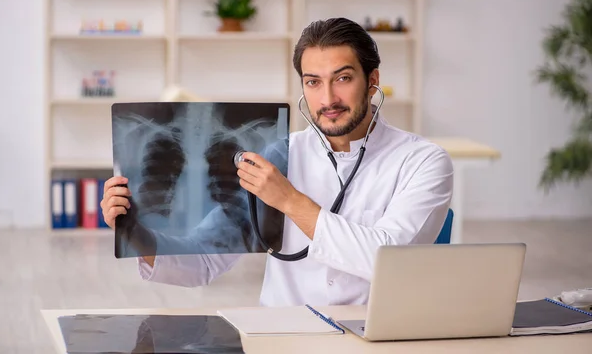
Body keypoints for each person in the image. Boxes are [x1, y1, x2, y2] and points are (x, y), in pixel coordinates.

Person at [101, 17, 454, 307]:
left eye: (342, 79)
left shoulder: (423, 162)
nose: (327, 98)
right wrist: (138, 236)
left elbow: (388, 262)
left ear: (372, 80)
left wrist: (289, 200)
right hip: (282, 335)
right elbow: (206, 259)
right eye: (313, 82)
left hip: (373, 339)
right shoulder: (281, 155)